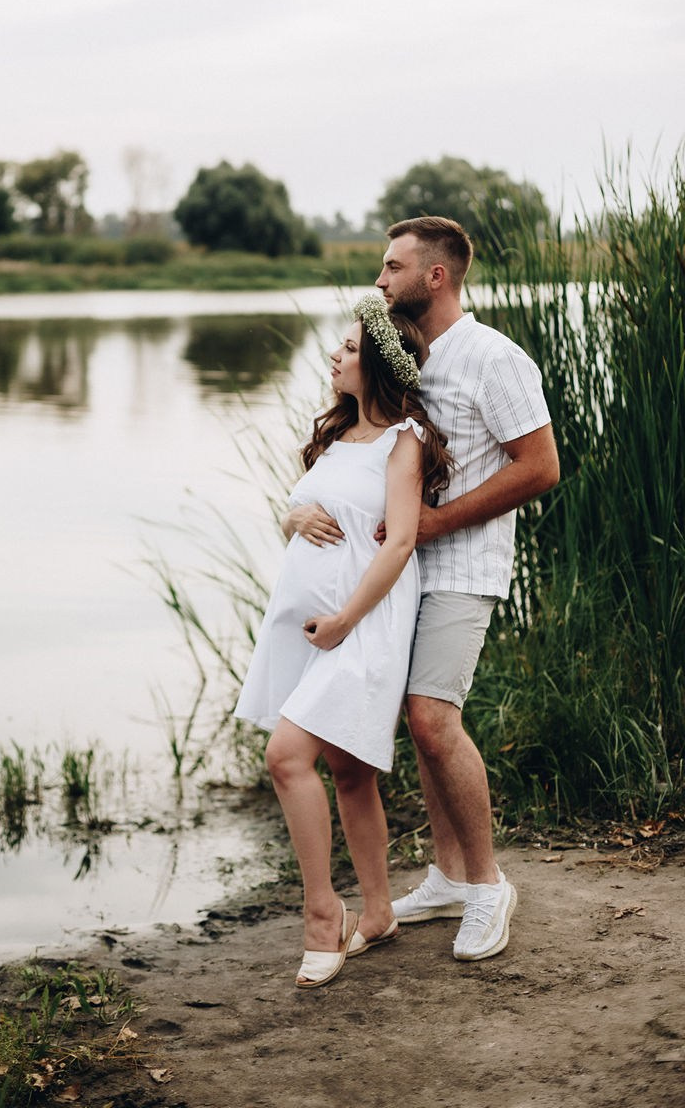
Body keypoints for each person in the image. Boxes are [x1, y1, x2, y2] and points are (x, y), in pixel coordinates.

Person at [234, 294, 451, 989]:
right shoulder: (333, 435)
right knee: (349, 769)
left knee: (286, 757)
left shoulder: (404, 440)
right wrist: (293, 514)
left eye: (350, 347)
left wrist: (346, 623)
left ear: (381, 366)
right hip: (306, 627)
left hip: (362, 624)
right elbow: (302, 517)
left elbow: (400, 544)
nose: (335, 354)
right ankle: (380, 911)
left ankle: (322, 914)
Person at [374, 215, 560, 961]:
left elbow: (541, 466)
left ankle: (487, 886)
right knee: (418, 722)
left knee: (432, 718)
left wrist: (439, 523)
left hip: (464, 567)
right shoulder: (408, 356)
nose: (380, 281)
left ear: (435, 276)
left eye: (392, 268)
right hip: (408, 569)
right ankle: (448, 876)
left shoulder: (494, 358)